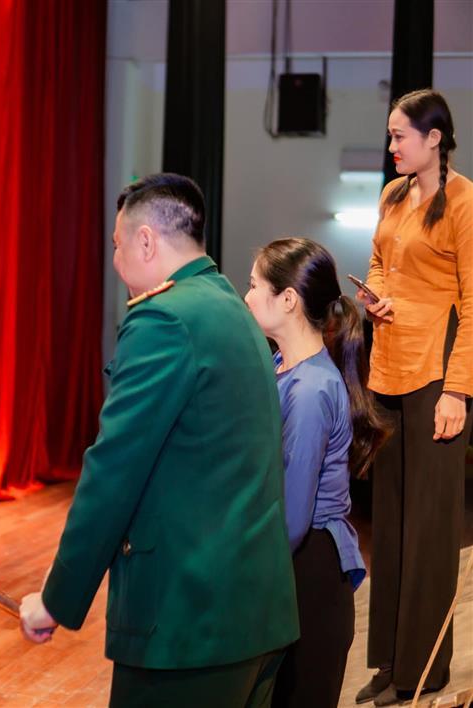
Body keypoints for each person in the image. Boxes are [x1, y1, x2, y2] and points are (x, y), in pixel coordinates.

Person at [19, 174, 299, 707]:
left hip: (189, 623)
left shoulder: (164, 320)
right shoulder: (229, 307)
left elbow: (113, 471)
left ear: (146, 241)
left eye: (117, 245)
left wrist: (57, 598)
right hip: (255, 615)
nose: (116, 261)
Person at [355, 89, 473, 706]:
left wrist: (458, 391)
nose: (392, 145)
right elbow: (379, 262)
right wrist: (376, 295)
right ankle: (390, 661)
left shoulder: (465, 201)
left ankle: (424, 669)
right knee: (393, 522)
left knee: (429, 528)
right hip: (390, 368)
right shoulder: (392, 195)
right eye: (390, 134)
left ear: (434, 138)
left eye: (400, 135)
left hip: (437, 373)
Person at [245, 238, 389, 707]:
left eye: (254, 285)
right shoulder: (282, 365)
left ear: (288, 299)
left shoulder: (310, 389)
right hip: (294, 565)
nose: (247, 297)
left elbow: (292, 517)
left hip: (309, 572)